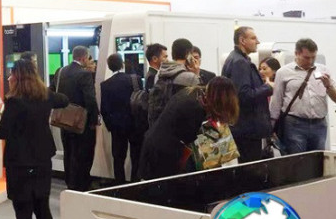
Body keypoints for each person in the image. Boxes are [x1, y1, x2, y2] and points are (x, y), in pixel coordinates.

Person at [0, 59, 68, 219]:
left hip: (20, 162)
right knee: (42, 208)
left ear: (17, 77)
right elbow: (64, 99)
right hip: (43, 160)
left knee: (23, 212)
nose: (9, 77)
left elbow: (1, 132)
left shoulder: (14, 102)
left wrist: (3, 112)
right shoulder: (45, 96)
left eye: (11, 74)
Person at [139, 77, 239, 180]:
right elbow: (198, 153)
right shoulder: (195, 110)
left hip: (154, 147)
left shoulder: (193, 93)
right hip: (160, 157)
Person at [270, 38, 336, 154]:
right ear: (296, 53)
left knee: (318, 161)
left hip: (319, 124)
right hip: (294, 124)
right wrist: (271, 126)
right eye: (306, 57)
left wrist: (328, 85)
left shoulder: (323, 70)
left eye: (313, 57)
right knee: (297, 160)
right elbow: (276, 101)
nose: (310, 61)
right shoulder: (283, 72)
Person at [220, 27, 272, 163]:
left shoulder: (236, 59)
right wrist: (268, 87)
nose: (258, 42)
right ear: (242, 40)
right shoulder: (240, 62)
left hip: (242, 127)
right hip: (247, 129)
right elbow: (243, 95)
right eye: (253, 38)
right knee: (250, 168)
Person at [51, 46, 99, 191]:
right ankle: (82, 185)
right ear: (83, 58)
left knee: (69, 152)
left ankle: (70, 182)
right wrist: (94, 120)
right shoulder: (84, 74)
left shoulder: (60, 71)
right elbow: (90, 99)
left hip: (64, 120)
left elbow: (52, 91)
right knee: (84, 153)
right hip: (81, 122)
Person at [100, 53, 141, 183]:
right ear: (122, 64)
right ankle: (135, 183)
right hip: (134, 123)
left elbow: (104, 109)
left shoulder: (105, 84)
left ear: (109, 66)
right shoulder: (135, 79)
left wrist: (110, 126)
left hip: (117, 126)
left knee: (118, 158)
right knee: (136, 156)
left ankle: (120, 185)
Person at [147, 38, 200, 126]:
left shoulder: (159, 75)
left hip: (162, 125)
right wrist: (196, 74)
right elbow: (199, 104)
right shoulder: (190, 77)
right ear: (188, 54)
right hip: (181, 127)